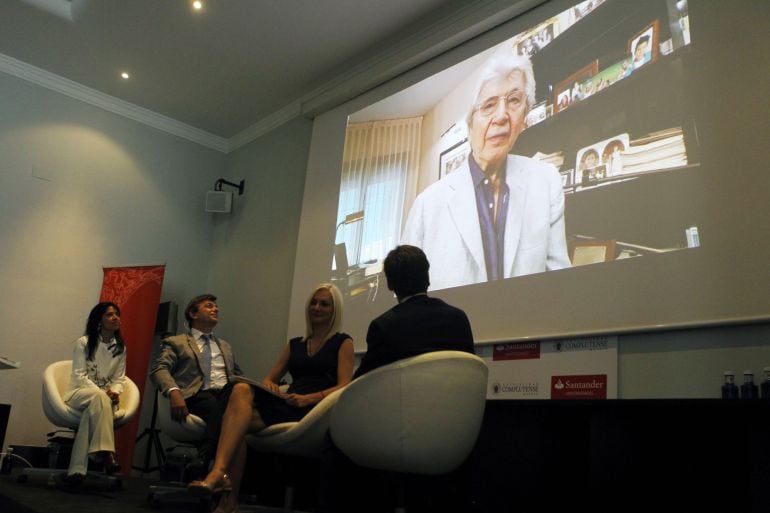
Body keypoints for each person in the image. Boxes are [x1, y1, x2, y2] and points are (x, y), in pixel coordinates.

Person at [320, 245, 475, 512]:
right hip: (450, 439)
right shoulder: (459, 319)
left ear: (390, 284)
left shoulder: (386, 325)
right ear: (427, 277)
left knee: (333, 439)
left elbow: (362, 385)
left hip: (396, 435)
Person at [401, 51, 570, 291]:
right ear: (470, 121)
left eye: (514, 101)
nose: (502, 116)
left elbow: (559, 280)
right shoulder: (426, 207)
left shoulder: (546, 181)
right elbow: (407, 297)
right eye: (489, 105)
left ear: (525, 114)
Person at [188, 283, 354, 513]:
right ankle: (227, 496)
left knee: (235, 415)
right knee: (239, 396)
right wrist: (269, 386)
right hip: (288, 404)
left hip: (313, 411)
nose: (317, 307)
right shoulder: (295, 344)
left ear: (334, 310)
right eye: (314, 303)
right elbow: (270, 379)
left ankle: (219, 478)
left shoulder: (343, 342)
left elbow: (345, 385)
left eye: (324, 304)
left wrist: (310, 398)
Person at [150, 294, 243, 470]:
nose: (216, 309)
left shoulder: (224, 346)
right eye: (209, 306)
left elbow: (238, 375)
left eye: (216, 306)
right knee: (223, 410)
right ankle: (209, 458)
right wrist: (174, 392)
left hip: (226, 396)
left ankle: (207, 456)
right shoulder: (176, 342)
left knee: (238, 399)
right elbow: (159, 370)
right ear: (193, 314)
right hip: (198, 396)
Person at [61, 302, 127, 485]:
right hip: (78, 393)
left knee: (91, 413)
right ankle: (107, 453)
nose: (115, 318)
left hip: (101, 400)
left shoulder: (120, 347)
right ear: (99, 320)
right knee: (99, 398)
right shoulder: (84, 342)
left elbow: (120, 379)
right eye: (110, 315)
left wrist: (114, 392)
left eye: (117, 314)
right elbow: (79, 375)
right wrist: (104, 393)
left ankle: (76, 471)